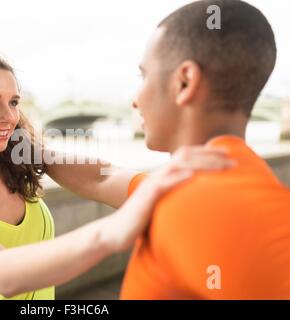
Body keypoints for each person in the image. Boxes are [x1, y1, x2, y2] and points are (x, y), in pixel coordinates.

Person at [0, 52, 233, 300]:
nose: (9, 116)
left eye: (13, 102)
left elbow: (102, 177)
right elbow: (3, 274)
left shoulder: (28, 160)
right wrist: (112, 232)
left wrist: (174, 185)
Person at [120, 0, 290, 299]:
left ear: (185, 82)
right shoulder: (187, 183)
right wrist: (30, 151)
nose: (136, 98)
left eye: (144, 75)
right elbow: (96, 178)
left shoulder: (187, 201)